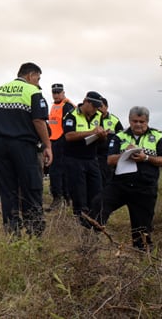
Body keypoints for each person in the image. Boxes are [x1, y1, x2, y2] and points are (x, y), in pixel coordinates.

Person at [88, 106, 162, 251]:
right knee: (98, 205)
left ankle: (143, 255)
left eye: (142, 121)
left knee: (142, 230)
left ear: (147, 121)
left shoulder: (158, 136)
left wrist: (146, 157)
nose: (138, 124)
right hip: (120, 185)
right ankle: (90, 243)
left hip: (145, 188)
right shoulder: (120, 136)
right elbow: (110, 160)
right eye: (134, 121)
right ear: (129, 120)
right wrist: (125, 154)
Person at [0, 62, 51, 237]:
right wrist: (47, 145)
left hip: (0, 146)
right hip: (24, 146)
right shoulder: (32, 91)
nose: (38, 82)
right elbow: (39, 121)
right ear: (30, 76)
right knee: (31, 187)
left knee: (7, 190)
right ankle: (34, 231)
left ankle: (12, 232)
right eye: (38, 78)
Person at [63, 91, 106, 220]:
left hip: (92, 159)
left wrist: (102, 135)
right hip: (74, 159)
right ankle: (80, 221)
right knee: (79, 194)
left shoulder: (98, 115)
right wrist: (91, 132)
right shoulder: (71, 115)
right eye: (93, 106)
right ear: (86, 102)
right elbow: (69, 136)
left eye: (97, 108)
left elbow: (101, 138)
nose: (95, 110)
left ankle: (94, 221)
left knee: (97, 191)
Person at [46, 83, 74, 211]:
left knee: (58, 171)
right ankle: (61, 197)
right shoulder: (54, 106)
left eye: (58, 92)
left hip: (62, 141)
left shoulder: (67, 106)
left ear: (63, 93)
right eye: (54, 92)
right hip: (53, 140)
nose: (56, 95)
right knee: (56, 171)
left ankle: (62, 197)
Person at [97, 97, 123, 186]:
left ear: (106, 107)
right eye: (97, 106)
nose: (99, 109)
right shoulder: (94, 118)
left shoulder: (114, 120)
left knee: (107, 178)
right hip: (95, 153)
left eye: (101, 106)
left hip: (108, 154)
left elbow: (121, 136)